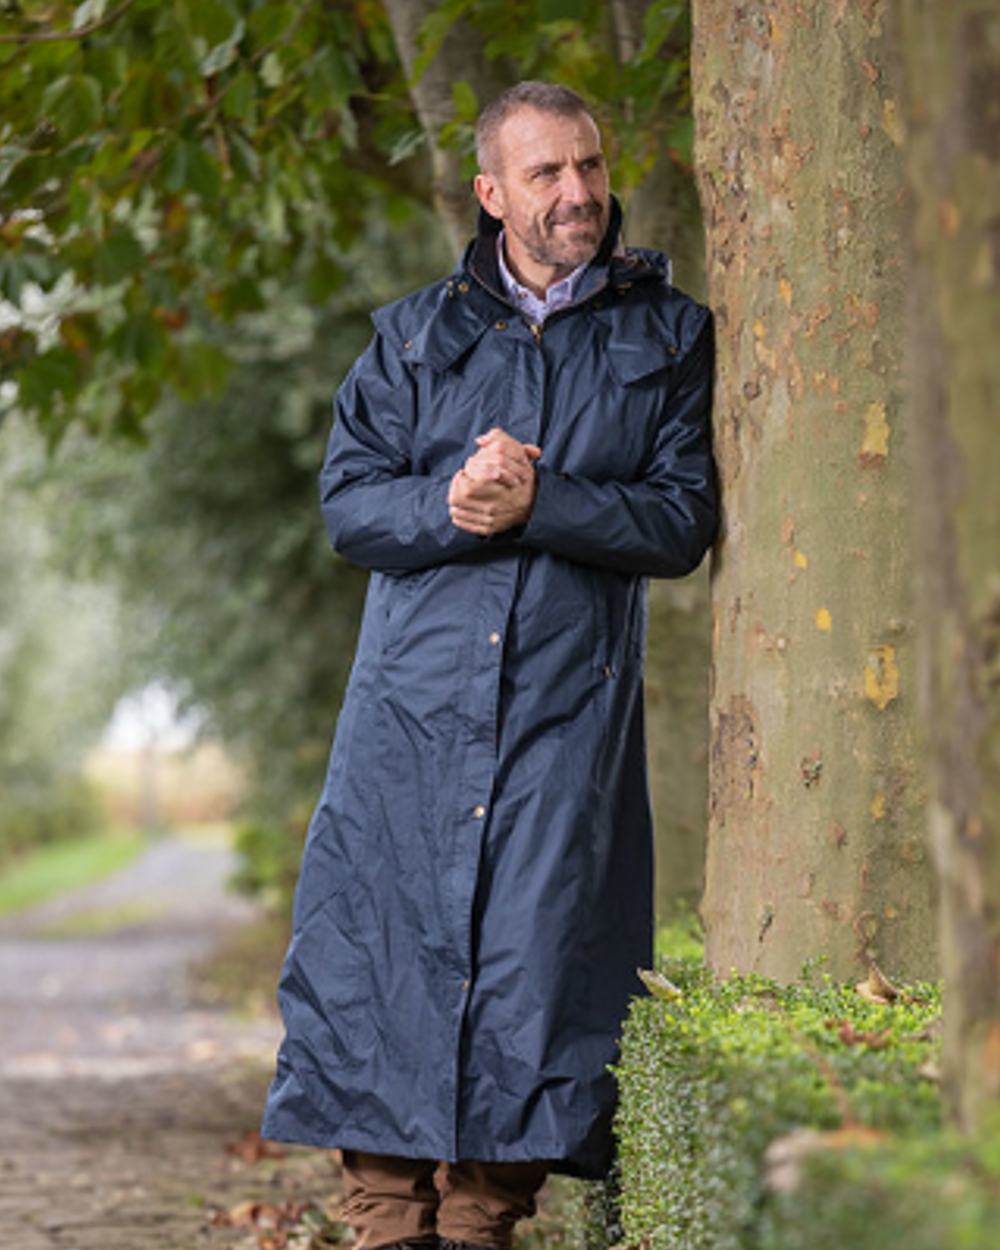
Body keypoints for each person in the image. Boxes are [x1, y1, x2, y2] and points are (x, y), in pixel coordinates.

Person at [261, 80, 718, 1250]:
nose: (577, 193)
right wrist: (453, 502)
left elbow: (676, 522)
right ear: (489, 192)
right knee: (378, 942)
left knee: (538, 950)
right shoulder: (412, 335)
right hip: (412, 709)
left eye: (590, 166)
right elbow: (352, 508)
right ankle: (381, 1216)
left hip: (567, 709)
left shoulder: (669, 334)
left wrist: (542, 500)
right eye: (546, 173)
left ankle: (479, 1219)